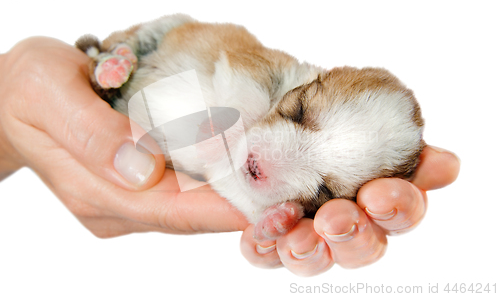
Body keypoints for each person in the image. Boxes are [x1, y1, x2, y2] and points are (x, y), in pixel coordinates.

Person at [0, 37, 460, 276]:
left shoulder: (281, 194)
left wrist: (264, 218)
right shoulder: (275, 75)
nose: (268, 163)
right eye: (298, 114)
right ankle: (107, 57)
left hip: (131, 113)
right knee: (140, 44)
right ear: (318, 76)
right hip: (156, 51)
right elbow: (239, 66)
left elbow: (236, 190)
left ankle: (106, 80)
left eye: (323, 187)